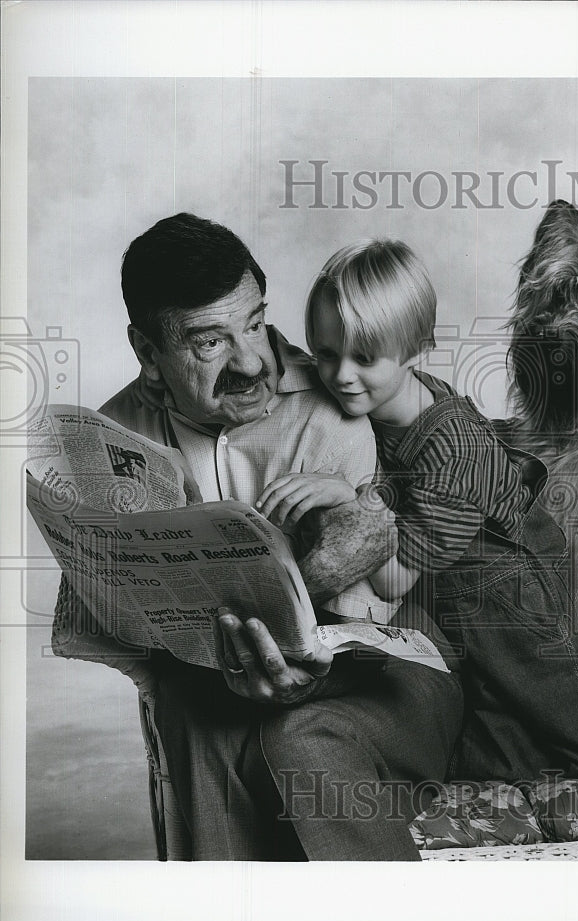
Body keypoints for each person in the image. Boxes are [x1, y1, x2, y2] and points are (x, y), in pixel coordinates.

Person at [55, 214, 463, 860]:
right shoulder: (112, 437)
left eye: (254, 322)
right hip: (210, 689)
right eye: (209, 342)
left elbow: (363, 628)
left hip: (379, 675)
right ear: (146, 351)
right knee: (198, 712)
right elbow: (119, 623)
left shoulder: (336, 409)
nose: (251, 360)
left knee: (292, 732)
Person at [263, 238, 578, 785]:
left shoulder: (451, 454)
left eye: (365, 357)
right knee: (486, 742)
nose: (339, 375)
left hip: (518, 600)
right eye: (326, 352)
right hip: (451, 592)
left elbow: (390, 581)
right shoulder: (381, 402)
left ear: (417, 349)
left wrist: (346, 497)